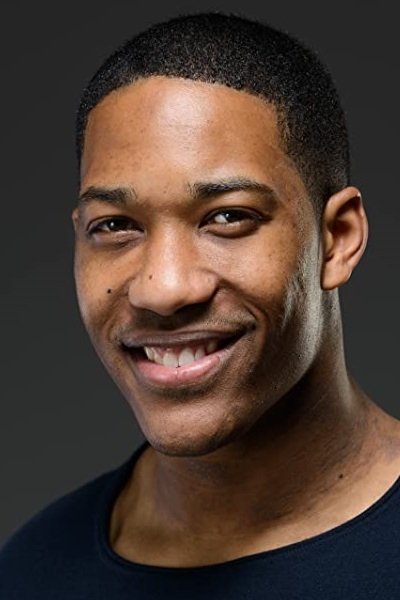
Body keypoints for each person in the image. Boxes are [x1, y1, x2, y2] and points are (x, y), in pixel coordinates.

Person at [1, 12, 400, 599]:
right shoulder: (31, 572)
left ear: (337, 239)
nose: (162, 288)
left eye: (227, 217)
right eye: (115, 225)